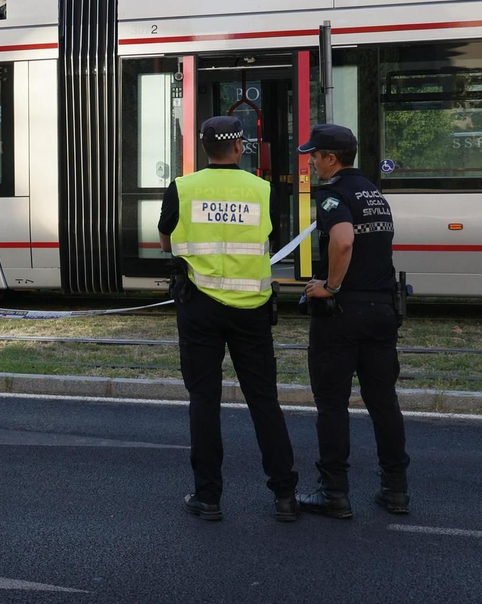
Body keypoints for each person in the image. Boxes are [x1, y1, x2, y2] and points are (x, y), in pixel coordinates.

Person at [160, 115, 300, 522]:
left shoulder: (183, 188)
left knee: (204, 400)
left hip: (198, 306)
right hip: (252, 310)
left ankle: (208, 498)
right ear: (239, 147)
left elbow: (167, 239)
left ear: (205, 148)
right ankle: (285, 496)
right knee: (263, 401)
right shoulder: (262, 190)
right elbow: (271, 237)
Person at [295, 124, 410, 519]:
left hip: (344, 316)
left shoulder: (333, 193)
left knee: (332, 404)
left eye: (314, 154)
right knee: (383, 403)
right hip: (382, 311)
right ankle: (396, 490)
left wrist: (330, 285)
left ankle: (334, 493)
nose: (310, 161)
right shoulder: (372, 192)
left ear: (331, 158)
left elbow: (343, 240)